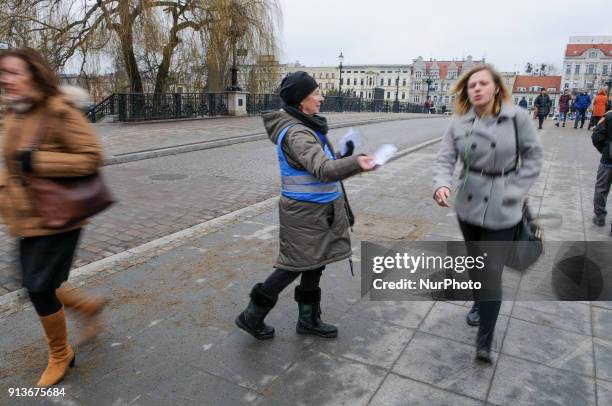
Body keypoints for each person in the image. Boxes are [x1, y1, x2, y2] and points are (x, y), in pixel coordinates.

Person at [235, 71, 376, 340]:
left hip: (318, 211)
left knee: (315, 263)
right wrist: (357, 162)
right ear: (302, 100)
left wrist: (344, 153)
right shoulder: (298, 132)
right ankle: (251, 316)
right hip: (305, 214)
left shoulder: (307, 125)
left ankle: (308, 320)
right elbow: (323, 170)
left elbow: (320, 163)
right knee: (294, 266)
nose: (321, 97)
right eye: (316, 94)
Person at [0, 48, 108, 387]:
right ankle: (88, 307)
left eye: (13, 72)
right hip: (26, 215)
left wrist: (38, 161)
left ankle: (61, 355)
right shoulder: (13, 112)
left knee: (39, 288)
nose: (6, 79)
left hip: (58, 216)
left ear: (34, 74)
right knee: (36, 284)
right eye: (2, 73)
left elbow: (92, 157)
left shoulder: (59, 109)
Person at [432, 65, 543, 362]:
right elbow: (444, 159)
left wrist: (516, 189)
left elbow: (534, 157)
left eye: (483, 84)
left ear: (497, 87)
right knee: (476, 262)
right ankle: (480, 304)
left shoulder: (517, 117)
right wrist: (442, 185)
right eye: (471, 85)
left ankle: (485, 340)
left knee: (490, 271)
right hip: (468, 200)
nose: (477, 89)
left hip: (504, 201)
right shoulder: (458, 122)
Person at [591, 110, 612, 231]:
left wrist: (605, 150)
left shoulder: (609, 116)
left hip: (608, 160)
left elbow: (596, 136)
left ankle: (600, 216)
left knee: (601, 188)